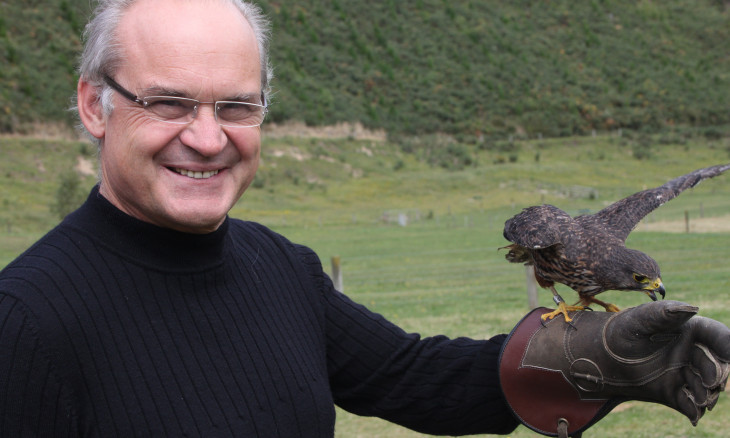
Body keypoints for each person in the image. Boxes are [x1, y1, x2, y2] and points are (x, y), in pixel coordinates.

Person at [0, 0, 727, 436]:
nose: (207, 136)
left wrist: (586, 364)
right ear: (96, 105)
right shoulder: (26, 321)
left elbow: (413, 377)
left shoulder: (280, 268)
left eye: (236, 106)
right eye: (169, 103)